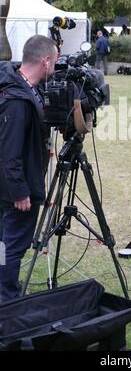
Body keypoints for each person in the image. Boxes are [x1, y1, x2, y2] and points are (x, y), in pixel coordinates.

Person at [0, 35, 58, 302]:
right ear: (45, 60)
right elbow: (9, 152)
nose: (55, 67)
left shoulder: (23, 88)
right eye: (54, 61)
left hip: (11, 185)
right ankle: (8, 299)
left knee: (5, 244)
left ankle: (5, 287)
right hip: (16, 191)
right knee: (14, 246)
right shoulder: (17, 99)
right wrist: (20, 191)